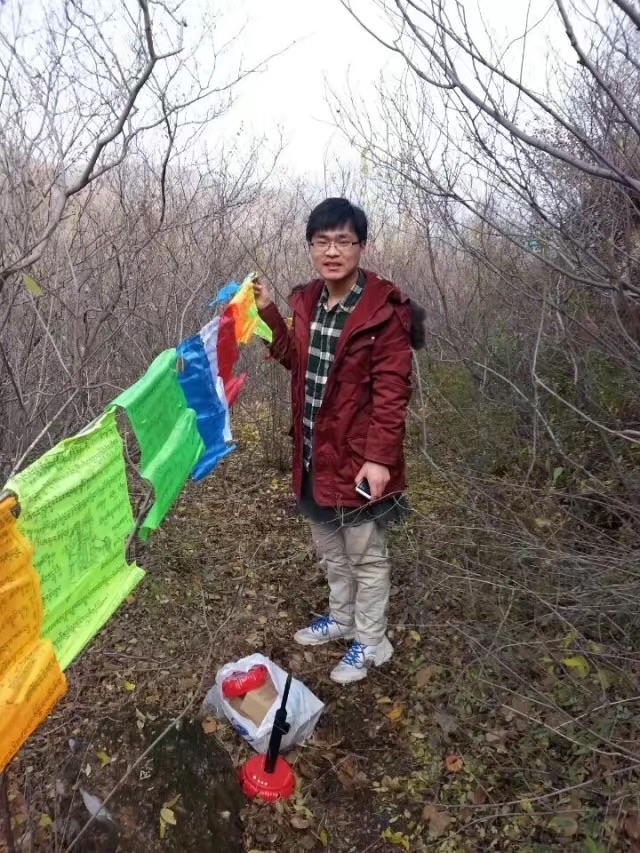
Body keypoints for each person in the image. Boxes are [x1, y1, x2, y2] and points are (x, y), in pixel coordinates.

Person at [253, 197, 421, 684]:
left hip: (357, 457)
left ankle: (371, 642)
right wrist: (266, 312)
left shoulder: (383, 311)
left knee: (365, 555)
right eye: (322, 241)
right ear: (310, 247)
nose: (332, 251)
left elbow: (392, 391)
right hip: (312, 451)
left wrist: (379, 459)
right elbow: (293, 358)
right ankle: (343, 618)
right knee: (330, 548)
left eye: (343, 241)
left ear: (361, 246)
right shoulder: (307, 301)